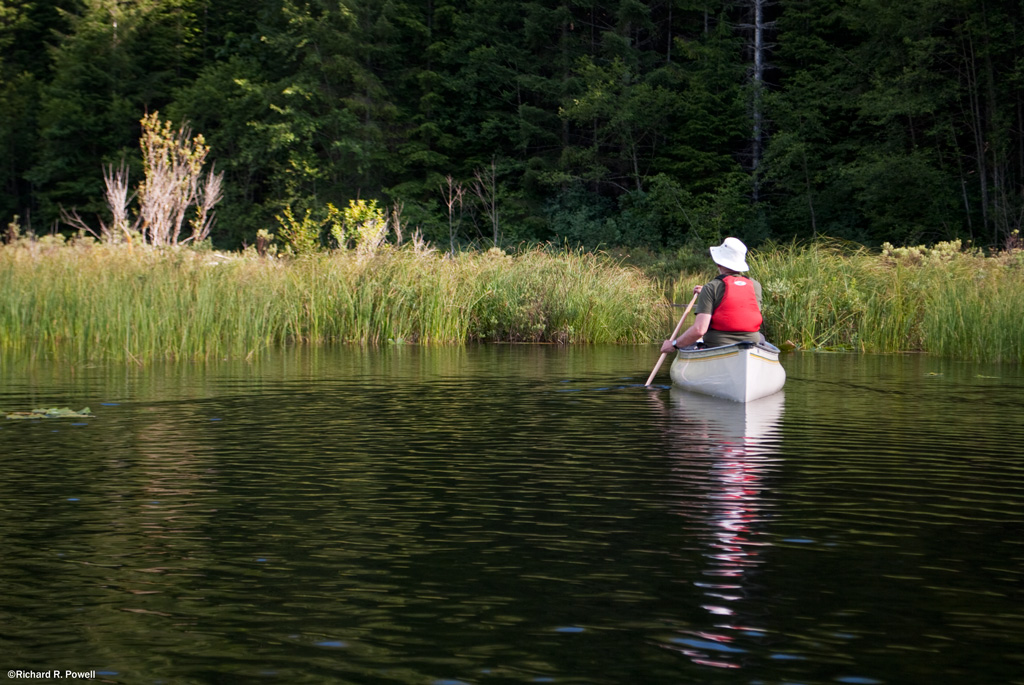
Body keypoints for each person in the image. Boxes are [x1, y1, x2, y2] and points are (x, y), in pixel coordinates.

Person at [661, 237, 763, 353]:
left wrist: (673, 344)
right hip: (751, 344)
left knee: (686, 344)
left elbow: (699, 330)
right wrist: (706, 291)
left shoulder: (711, 287)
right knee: (762, 339)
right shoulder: (755, 285)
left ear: (718, 263)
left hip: (718, 345)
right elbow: (739, 305)